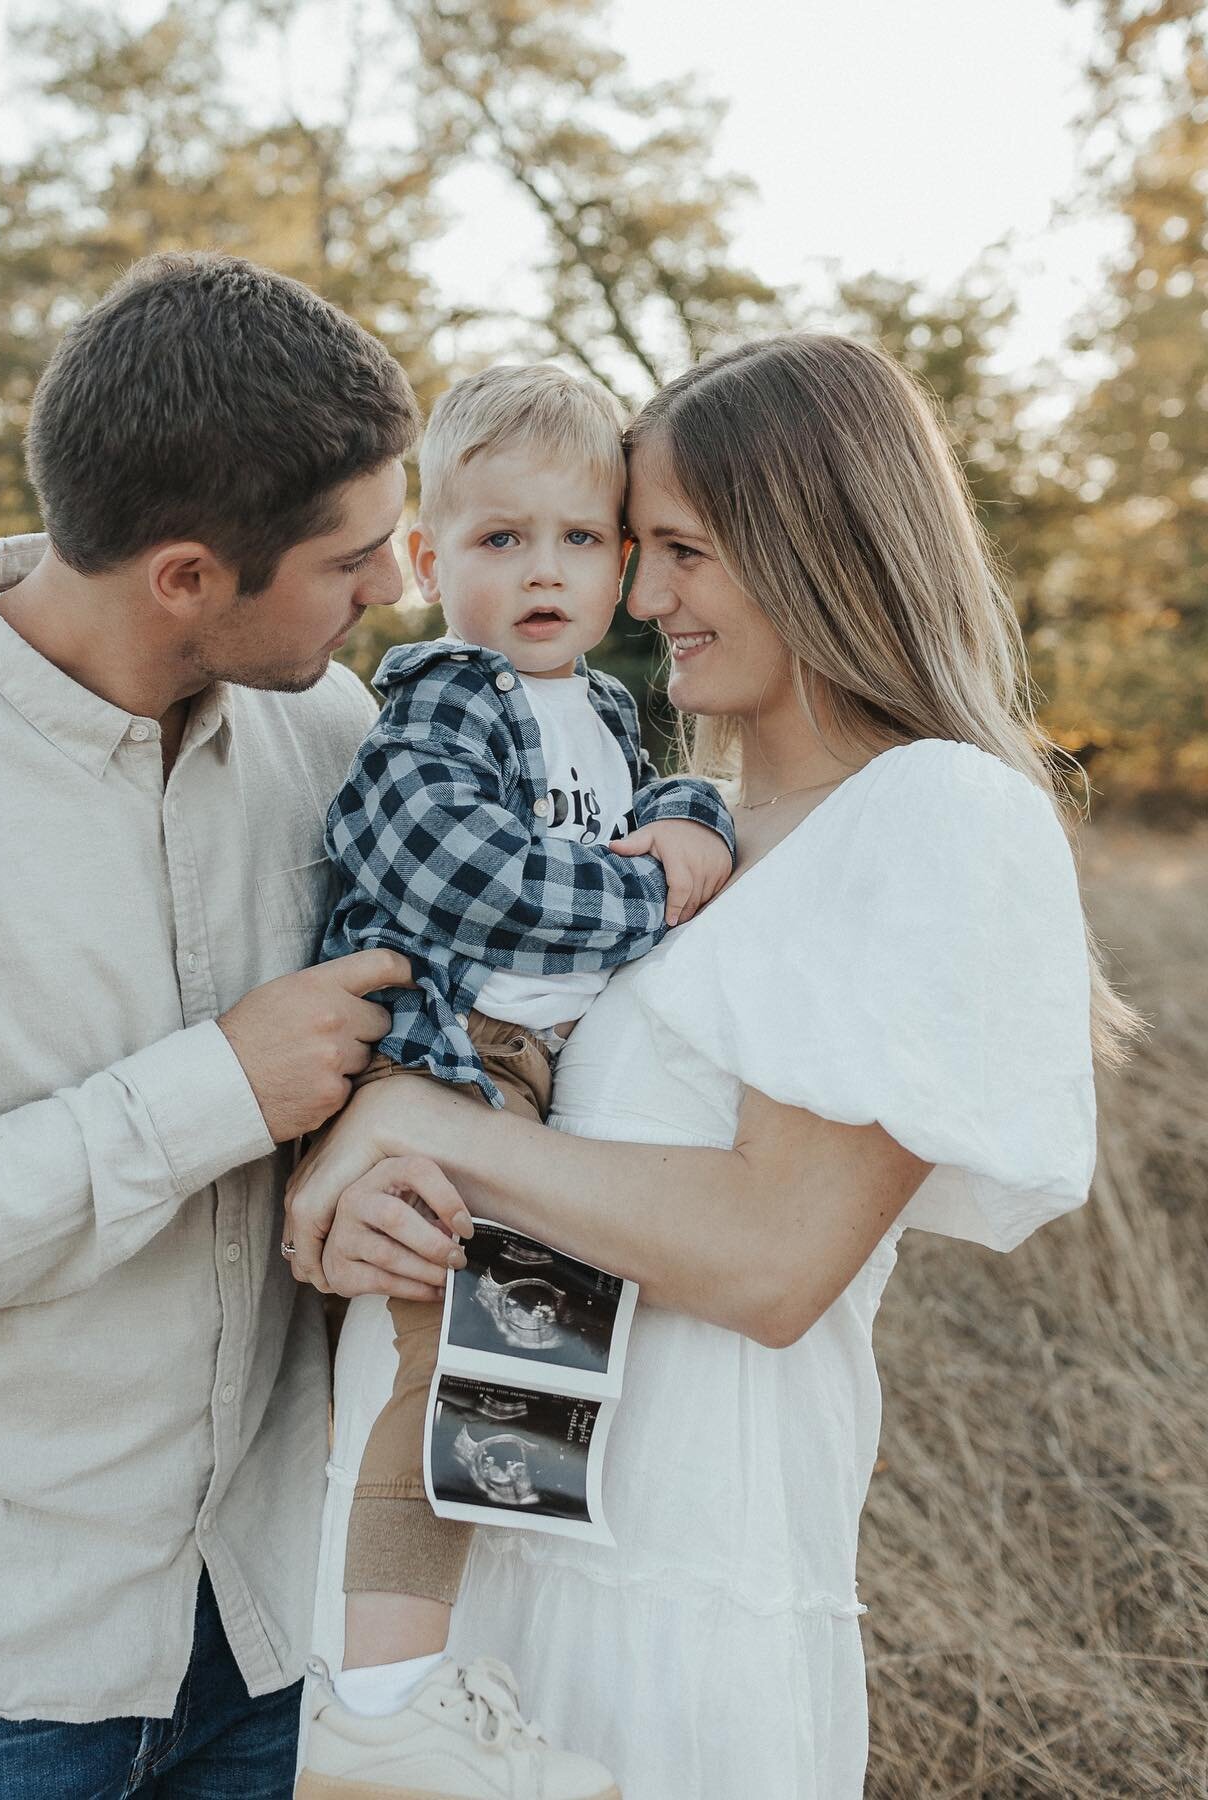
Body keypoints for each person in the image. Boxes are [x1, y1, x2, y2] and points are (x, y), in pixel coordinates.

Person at [285, 335, 1135, 1798]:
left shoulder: (934, 813)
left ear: (814, 544)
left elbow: (773, 1257)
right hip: (471, 1564)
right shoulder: (682, 834)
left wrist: (433, 1124)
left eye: (678, 549)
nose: (646, 594)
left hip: (673, 1589)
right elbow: (545, 1122)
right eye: (641, 547)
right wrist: (373, 1193)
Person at [0, 251, 421, 1798]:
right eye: (351, 559)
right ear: (187, 576)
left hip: (271, 1632)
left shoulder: (335, 733)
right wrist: (213, 1092)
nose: (395, 586)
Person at [293, 365, 735, 1800]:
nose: (542, 570)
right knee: (442, 1375)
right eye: (497, 541)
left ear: (619, 557)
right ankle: (378, 1706)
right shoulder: (447, 697)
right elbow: (445, 866)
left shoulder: (605, 716)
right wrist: (646, 899)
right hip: (446, 1057)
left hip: (532, 1084)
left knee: (518, 1389)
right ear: (427, 563)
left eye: (578, 537)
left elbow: (675, 791)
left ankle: (445, 1690)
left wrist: (688, 825)